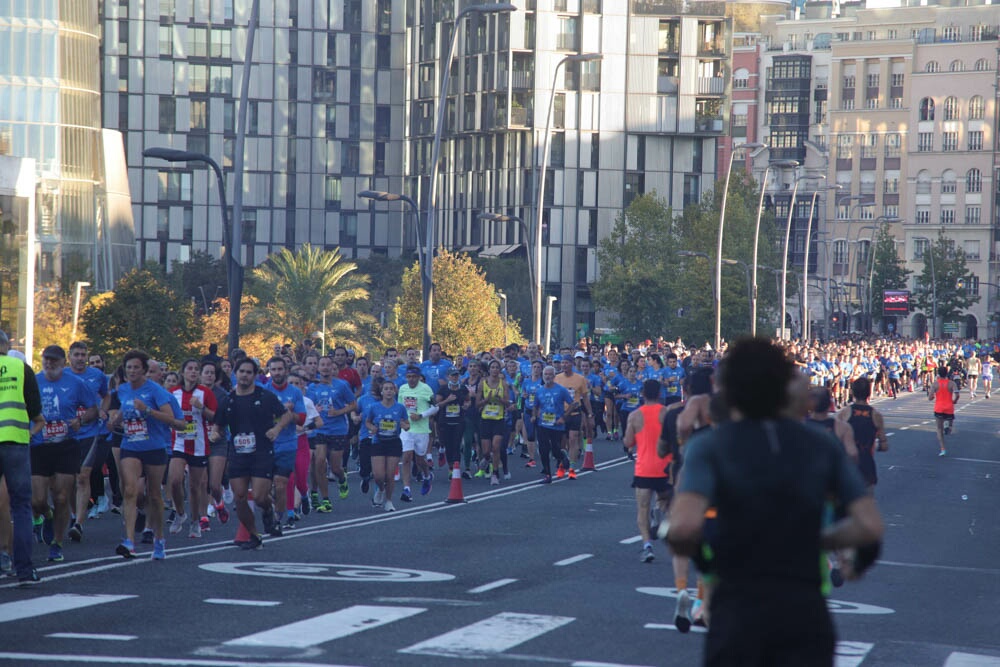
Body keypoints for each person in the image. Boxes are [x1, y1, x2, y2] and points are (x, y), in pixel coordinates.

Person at [666, 337, 884, 666]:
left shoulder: (709, 446)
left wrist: (707, 553)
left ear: (723, 387)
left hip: (738, 605)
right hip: (803, 607)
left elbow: (682, 528)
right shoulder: (819, 444)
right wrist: (817, 541)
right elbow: (868, 526)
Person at [210, 358, 294, 549]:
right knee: (239, 497)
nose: (245, 375)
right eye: (242, 372)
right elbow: (219, 424)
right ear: (236, 374)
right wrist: (215, 434)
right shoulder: (228, 400)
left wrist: (277, 429)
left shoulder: (265, 397)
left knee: (259, 497)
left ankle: (268, 509)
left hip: (261, 453)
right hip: (238, 454)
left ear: (255, 375)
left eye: (249, 372)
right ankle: (254, 535)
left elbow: (287, 415)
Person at [109, 349, 184, 560]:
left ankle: (159, 539)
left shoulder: (156, 391)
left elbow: (174, 421)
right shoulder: (122, 390)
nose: (132, 371)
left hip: (154, 446)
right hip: (130, 445)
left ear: (144, 371)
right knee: (131, 491)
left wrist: (148, 411)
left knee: (154, 495)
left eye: (136, 367)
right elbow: (121, 410)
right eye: (128, 367)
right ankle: (129, 541)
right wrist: (114, 420)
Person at [31, 345, 99, 562]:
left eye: (53, 360)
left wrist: (80, 420)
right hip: (39, 445)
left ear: (62, 363)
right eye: (46, 360)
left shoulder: (75, 383)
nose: (49, 364)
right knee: (37, 500)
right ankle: (47, 516)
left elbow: (93, 408)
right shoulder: (33, 381)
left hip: (66, 446)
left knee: (61, 496)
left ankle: (57, 543)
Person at [0, 330, 45, 584]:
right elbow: (36, 414)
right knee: (21, 507)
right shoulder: (20, 368)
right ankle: (25, 571)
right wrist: (29, 433)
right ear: (6, 346)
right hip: (15, 441)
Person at [166, 359, 217, 538]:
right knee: (174, 480)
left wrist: (201, 408)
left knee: (195, 487)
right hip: (178, 442)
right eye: (190, 368)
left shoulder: (205, 393)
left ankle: (195, 522)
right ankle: (180, 514)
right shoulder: (173, 393)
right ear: (183, 371)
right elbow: (167, 415)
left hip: (199, 445)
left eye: (197, 369)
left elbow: (215, 417)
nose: (193, 372)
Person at [623, 379, 672, 564]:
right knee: (669, 505)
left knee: (642, 508)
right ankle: (660, 520)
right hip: (665, 468)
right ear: (659, 394)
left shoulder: (635, 416)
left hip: (644, 469)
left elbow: (628, 442)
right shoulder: (666, 413)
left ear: (642, 394)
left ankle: (647, 545)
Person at [66, 341, 110, 542]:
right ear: (70, 356)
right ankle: (74, 513)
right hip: (66, 434)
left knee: (83, 477)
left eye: (83, 354)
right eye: (77, 354)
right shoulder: (63, 375)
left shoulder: (97, 376)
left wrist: (103, 410)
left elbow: (107, 395)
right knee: (68, 481)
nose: (81, 358)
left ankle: (79, 524)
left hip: (90, 432)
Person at [364, 380, 409, 512]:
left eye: (391, 389)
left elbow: (407, 424)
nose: (389, 391)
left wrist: (405, 426)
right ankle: (381, 490)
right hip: (378, 442)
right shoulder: (374, 407)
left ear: (395, 392)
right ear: (382, 392)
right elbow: (367, 422)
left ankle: (389, 501)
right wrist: (372, 427)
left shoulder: (400, 408)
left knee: (390, 475)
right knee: (378, 475)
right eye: (386, 389)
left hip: (393, 442)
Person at [837, 378, 886, 487]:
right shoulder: (875, 415)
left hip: (847, 463)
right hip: (865, 462)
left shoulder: (844, 413)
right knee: (866, 497)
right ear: (869, 393)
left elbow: (835, 438)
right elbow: (884, 446)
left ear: (853, 392)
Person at [398, 365, 437, 499]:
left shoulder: (426, 389)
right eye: (409, 377)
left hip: (421, 429)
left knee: (420, 459)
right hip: (407, 428)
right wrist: (401, 422)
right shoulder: (402, 389)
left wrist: (421, 415)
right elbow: (400, 408)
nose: (411, 379)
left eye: (414, 377)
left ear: (419, 377)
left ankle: (427, 476)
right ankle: (407, 489)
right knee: (407, 457)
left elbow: (435, 407)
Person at [929, 365, 959, 456]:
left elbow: (930, 397)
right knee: (949, 427)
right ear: (947, 373)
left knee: (939, 429)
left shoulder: (935, 384)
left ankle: (943, 449)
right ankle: (948, 426)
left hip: (939, 408)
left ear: (938, 374)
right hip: (949, 407)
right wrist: (954, 401)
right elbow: (957, 394)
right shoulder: (952, 383)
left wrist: (933, 396)